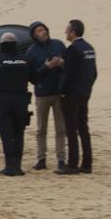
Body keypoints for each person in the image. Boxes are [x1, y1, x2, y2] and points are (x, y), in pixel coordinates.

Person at [0, 32, 37, 176]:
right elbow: (35, 79)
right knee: (19, 132)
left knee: (6, 133)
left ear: (2, 45)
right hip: (21, 100)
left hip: (4, 101)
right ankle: (18, 166)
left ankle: (9, 165)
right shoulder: (25, 60)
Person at [56, 19, 98, 175]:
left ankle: (72, 164)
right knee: (83, 128)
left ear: (73, 32)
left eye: (67, 30)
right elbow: (94, 73)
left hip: (72, 94)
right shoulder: (89, 48)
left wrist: (62, 91)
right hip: (84, 93)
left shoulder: (73, 49)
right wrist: (87, 89)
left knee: (71, 129)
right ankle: (87, 164)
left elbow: (68, 74)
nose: (66, 32)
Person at [25, 21, 67, 171]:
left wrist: (62, 63)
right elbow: (31, 76)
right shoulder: (31, 52)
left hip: (59, 92)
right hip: (42, 94)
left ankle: (61, 160)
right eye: (39, 31)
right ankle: (41, 159)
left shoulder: (58, 44)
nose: (43, 32)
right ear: (34, 35)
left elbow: (70, 66)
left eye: (44, 29)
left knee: (60, 129)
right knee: (41, 129)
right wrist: (46, 67)